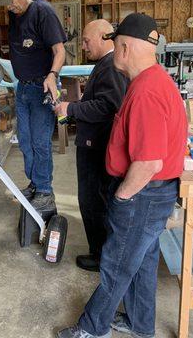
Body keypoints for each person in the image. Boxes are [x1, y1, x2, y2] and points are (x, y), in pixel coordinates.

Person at [57, 13, 188, 338]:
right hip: (155, 194)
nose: (112, 50)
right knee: (142, 262)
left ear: (125, 47)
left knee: (116, 265)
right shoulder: (152, 80)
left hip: (144, 194)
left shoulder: (146, 92)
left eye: (115, 44)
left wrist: (122, 196)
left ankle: (92, 327)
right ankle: (140, 324)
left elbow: (148, 163)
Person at [55, 19, 128, 272]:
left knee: (92, 200)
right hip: (96, 142)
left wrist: (71, 108)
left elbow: (109, 106)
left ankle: (100, 256)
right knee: (95, 199)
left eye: (86, 41)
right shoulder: (107, 64)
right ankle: (102, 252)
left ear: (103, 37)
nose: (84, 46)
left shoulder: (109, 66)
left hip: (97, 145)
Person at [0, 0, 67, 208]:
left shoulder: (43, 12)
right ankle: (35, 184)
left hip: (41, 86)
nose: (9, 8)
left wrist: (52, 75)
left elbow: (59, 51)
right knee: (24, 141)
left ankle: (45, 189)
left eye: (11, 3)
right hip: (23, 87)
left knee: (39, 141)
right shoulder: (15, 14)